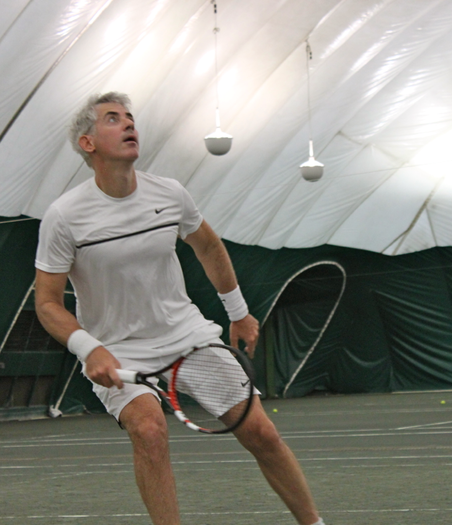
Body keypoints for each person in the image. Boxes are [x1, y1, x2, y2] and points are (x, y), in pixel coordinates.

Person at [34, 92, 325, 525]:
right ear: (88, 143)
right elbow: (47, 303)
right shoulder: (64, 217)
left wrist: (239, 312)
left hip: (187, 337)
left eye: (130, 117)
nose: (129, 124)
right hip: (117, 350)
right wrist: (87, 347)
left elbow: (208, 246)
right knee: (149, 431)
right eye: (113, 119)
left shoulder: (169, 194)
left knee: (262, 432)